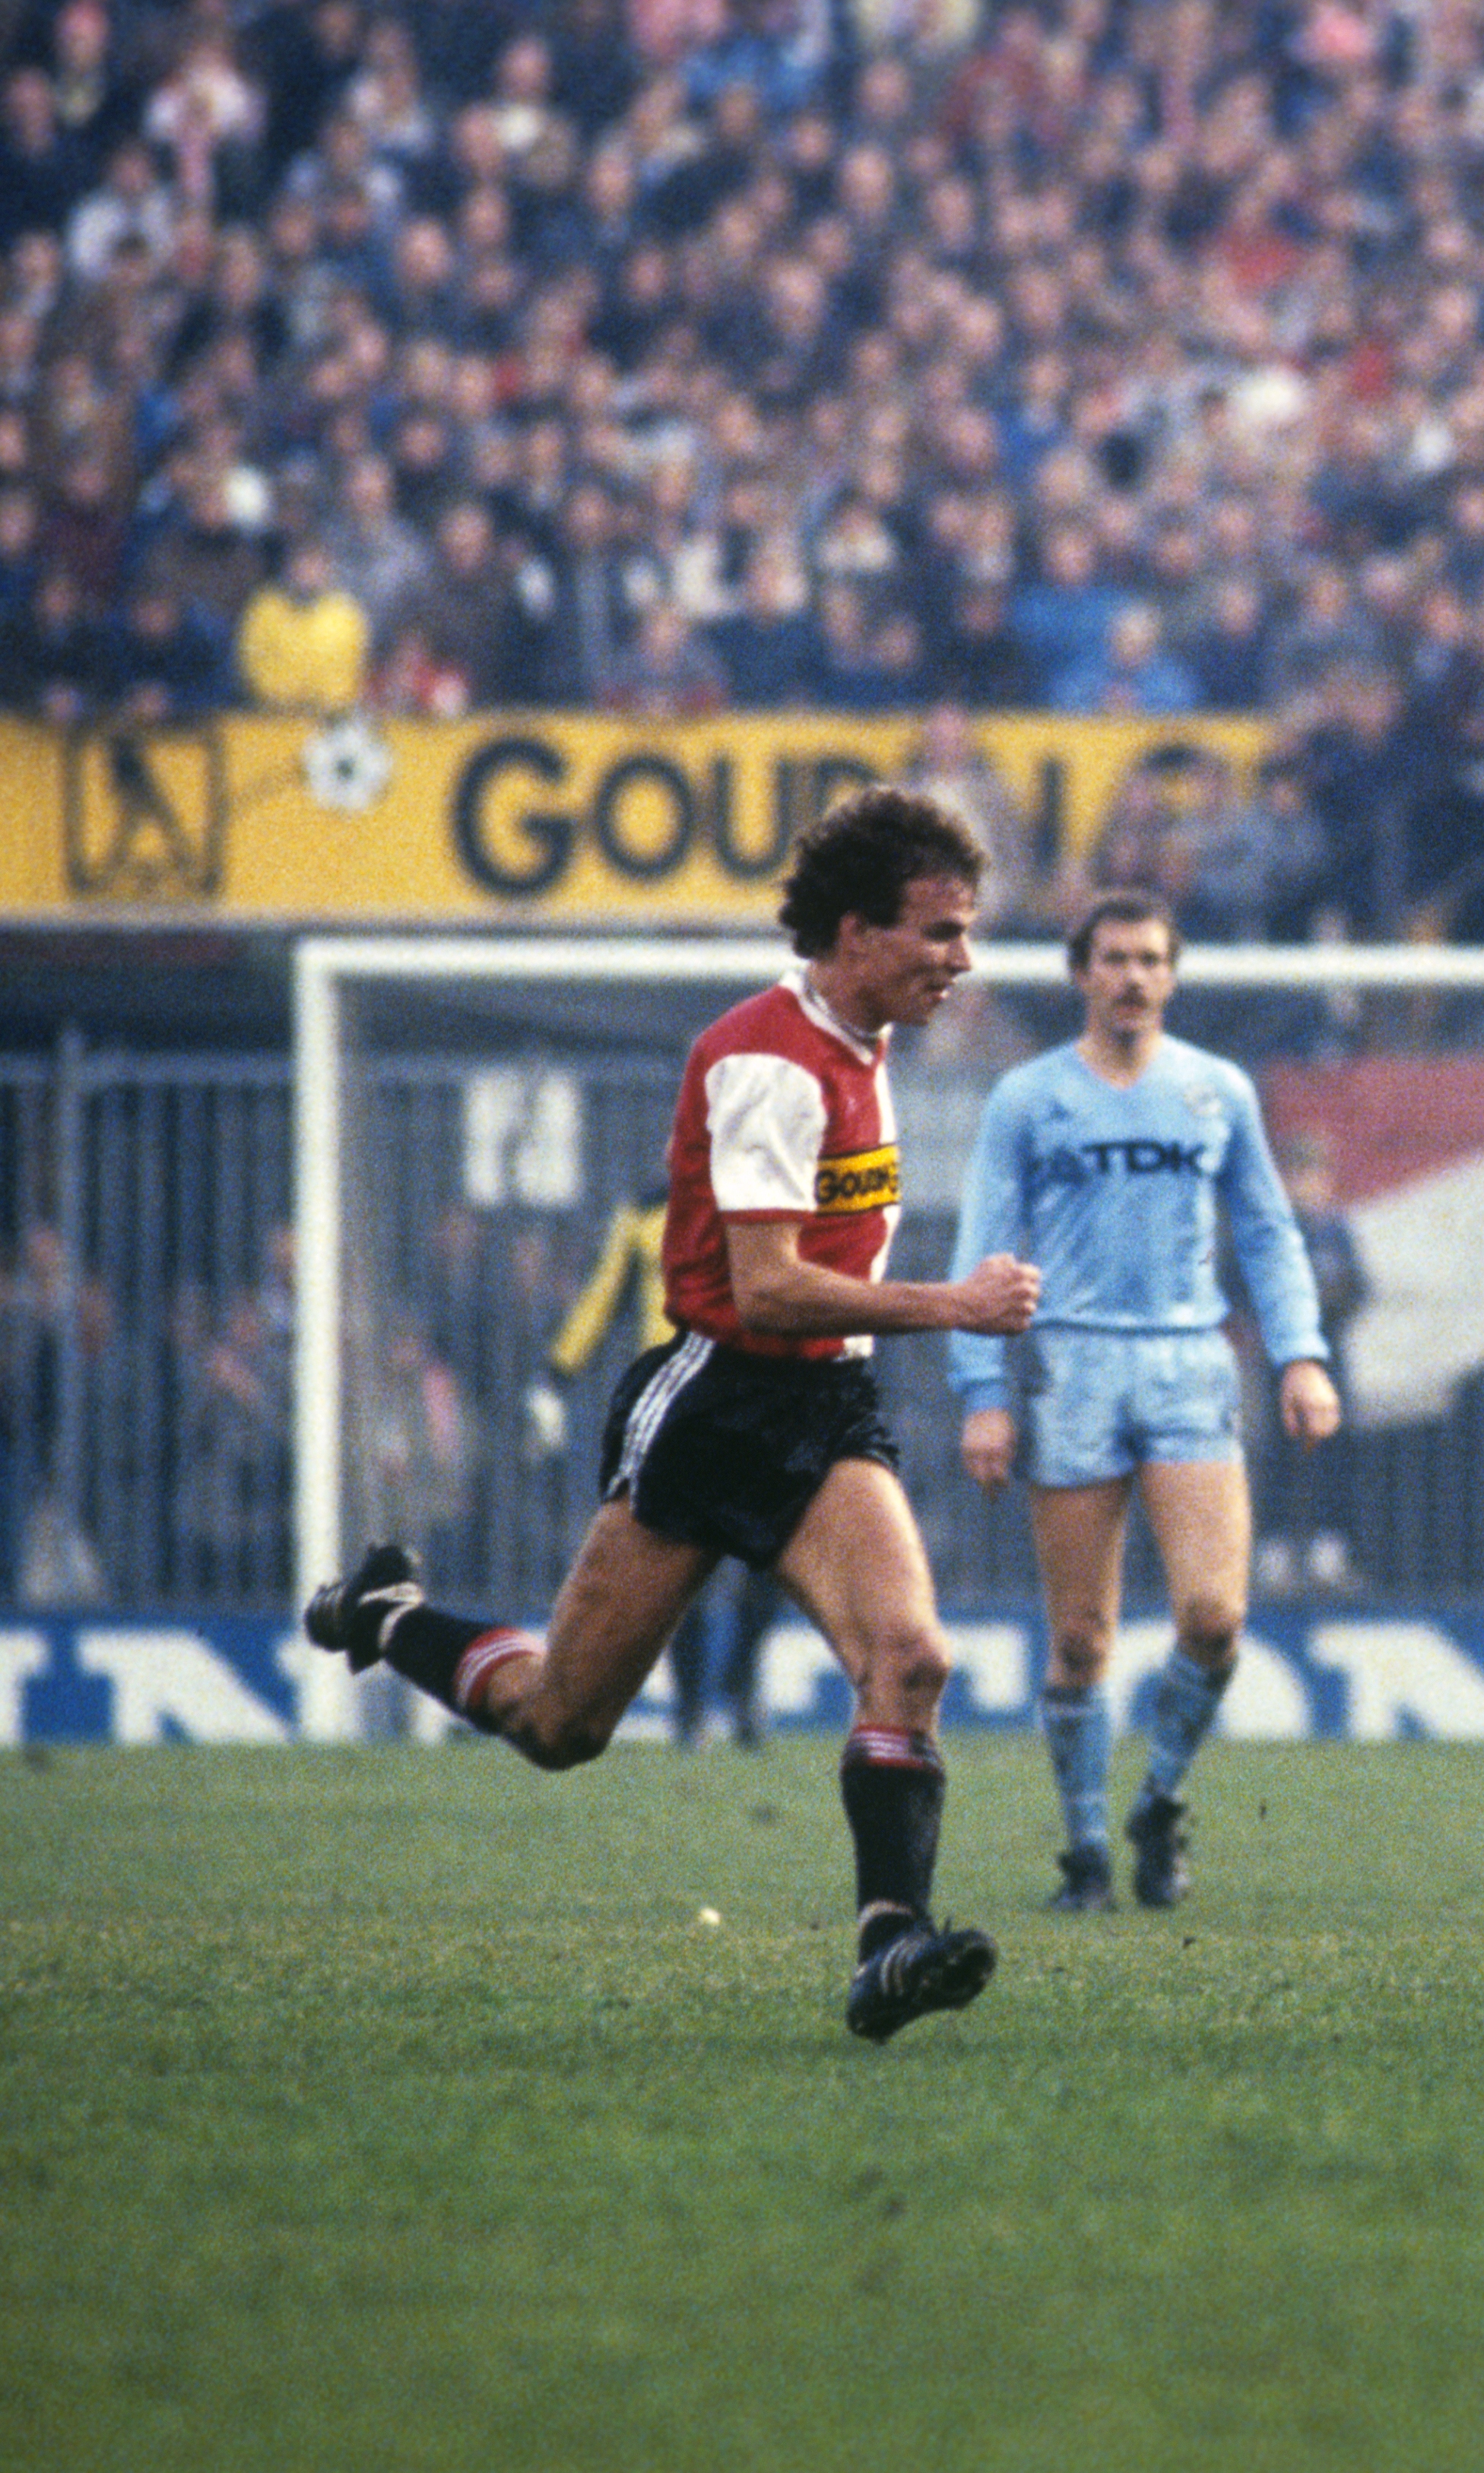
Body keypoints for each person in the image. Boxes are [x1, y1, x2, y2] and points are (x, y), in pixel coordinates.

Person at [303, 787, 1043, 2043]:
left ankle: (888, 1944)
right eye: (938, 932)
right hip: (715, 1402)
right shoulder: (766, 1060)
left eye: (965, 932)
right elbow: (761, 1289)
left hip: (823, 1401)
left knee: (910, 1659)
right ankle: (388, 1615)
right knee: (559, 1725)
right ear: (855, 932)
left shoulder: (863, 1041)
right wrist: (955, 1305)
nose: (961, 960)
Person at [950, 891, 1339, 1913]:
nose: (1132, 977)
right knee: (1082, 1636)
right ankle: (1083, 1856)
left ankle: (1159, 1799)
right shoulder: (1030, 1099)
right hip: (1071, 1367)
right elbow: (983, 1247)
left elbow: (1266, 1231)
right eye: (1114, 959)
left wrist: (1301, 1355)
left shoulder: (1218, 1092)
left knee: (1215, 1616)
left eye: (1151, 960)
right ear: (1082, 974)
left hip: (1187, 1360)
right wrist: (982, 1388)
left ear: (1173, 975)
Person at [532, 1180, 791, 1750]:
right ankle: (692, 1705)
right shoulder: (646, 1209)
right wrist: (558, 1373)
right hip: (676, 1404)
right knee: (678, 1562)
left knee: (770, 1559)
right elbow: (603, 1296)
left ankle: (740, 1678)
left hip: (758, 1394)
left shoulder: (768, 1197)